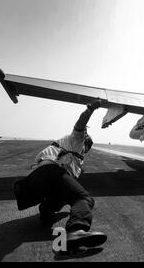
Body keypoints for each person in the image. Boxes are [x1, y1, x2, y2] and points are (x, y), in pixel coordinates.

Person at [13, 100, 107, 251]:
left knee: (62, 196)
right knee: (84, 198)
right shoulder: (77, 139)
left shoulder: (59, 146)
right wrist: (90, 109)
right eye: (87, 148)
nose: (85, 152)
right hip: (52, 172)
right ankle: (75, 231)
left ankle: (46, 212)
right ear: (85, 142)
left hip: (32, 182)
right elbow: (80, 124)